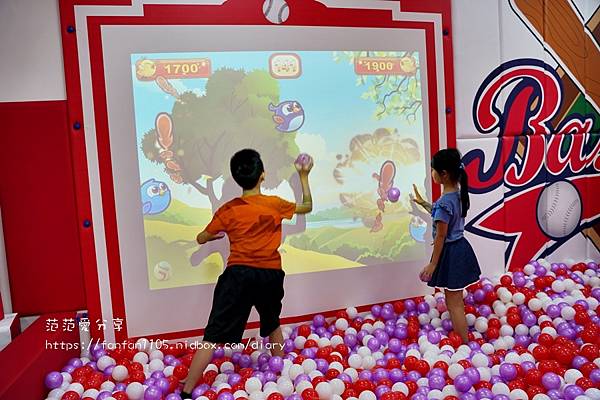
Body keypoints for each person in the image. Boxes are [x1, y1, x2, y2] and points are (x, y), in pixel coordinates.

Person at [181, 149, 313, 399]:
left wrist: (212, 235)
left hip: (238, 275)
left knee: (212, 335)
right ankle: (283, 377)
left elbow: (201, 237)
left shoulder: (228, 210)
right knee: (272, 323)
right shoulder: (275, 204)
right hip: (270, 274)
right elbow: (307, 206)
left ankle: (187, 389)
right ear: (262, 175)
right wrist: (303, 176)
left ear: (235, 178)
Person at [411, 148, 481, 344]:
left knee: (454, 302)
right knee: (455, 300)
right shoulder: (457, 196)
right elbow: (439, 213)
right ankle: (462, 338)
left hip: (451, 253)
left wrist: (432, 265)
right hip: (461, 248)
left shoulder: (444, 203)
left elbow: (441, 236)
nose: (431, 174)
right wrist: (423, 203)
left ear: (444, 174)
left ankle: (464, 342)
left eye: (433, 170)